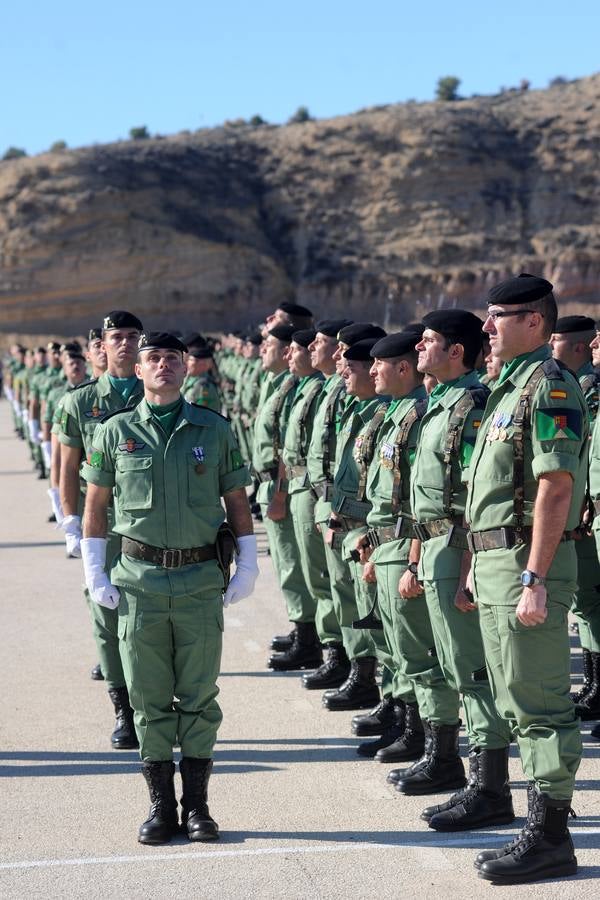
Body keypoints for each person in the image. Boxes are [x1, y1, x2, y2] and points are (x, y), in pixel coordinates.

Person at [81, 332, 256, 844]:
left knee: (199, 697)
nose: (163, 366)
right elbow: (96, 506)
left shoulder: (213, 429)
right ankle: (161, 808)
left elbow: (236, 501)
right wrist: (94, 569)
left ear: (185, 370)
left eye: (172, 360)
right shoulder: (115, 432)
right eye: (153, 358)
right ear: (138, 369)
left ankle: (198, 807)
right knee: (148, 698)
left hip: (200, 580)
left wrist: (247, 564)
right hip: (140, 584)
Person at [466, 274, 588, 883]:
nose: (486, 328)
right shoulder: (505, 390)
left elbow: (555, 486)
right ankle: (539, 828)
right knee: (515, 700)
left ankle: (550, 837)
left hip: (524, 565)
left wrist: (535, 577)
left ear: (533, 322)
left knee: (540, 704)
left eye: (497, 317)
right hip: (496, 563)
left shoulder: (549, 387)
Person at [405, 310, 513, 832]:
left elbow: (475, 495)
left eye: (428, 342)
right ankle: (472, 777)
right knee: (453, 664)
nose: (418, 349)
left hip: (455, 547)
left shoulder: (471, 407)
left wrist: (468, 563)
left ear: (455, 352)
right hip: (433, 547)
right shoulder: (439, 405)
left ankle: (491, 787)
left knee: (471, 670)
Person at [356, 331, 461, 769]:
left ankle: (435, 747)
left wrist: (412, 559)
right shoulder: (399, 412)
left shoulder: (420, 412)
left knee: (422, 654)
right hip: (390, 543)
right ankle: (411, 726)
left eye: (379, 364)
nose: (370, 371)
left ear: (401, 369)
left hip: (409, 544)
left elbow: (426, 499)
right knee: (403, 650)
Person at [58, 310, 145, 739]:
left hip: (150, 525)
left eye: (132, 336)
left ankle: (157, 708)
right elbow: (67, 465)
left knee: (154, 619)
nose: (124, 343)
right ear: (103, 345)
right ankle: (123, 709)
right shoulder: (80, 401)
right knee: (107, 618)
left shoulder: (159, 392)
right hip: (103, 525)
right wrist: (70, 521)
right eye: (116, 337)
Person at [551, 315, 600, 721]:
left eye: (558, 340)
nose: (552, 347)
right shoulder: (578, 387)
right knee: (587, 602)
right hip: (589, 513)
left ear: (578, 346)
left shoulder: (588, 388)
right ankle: (595, 684)